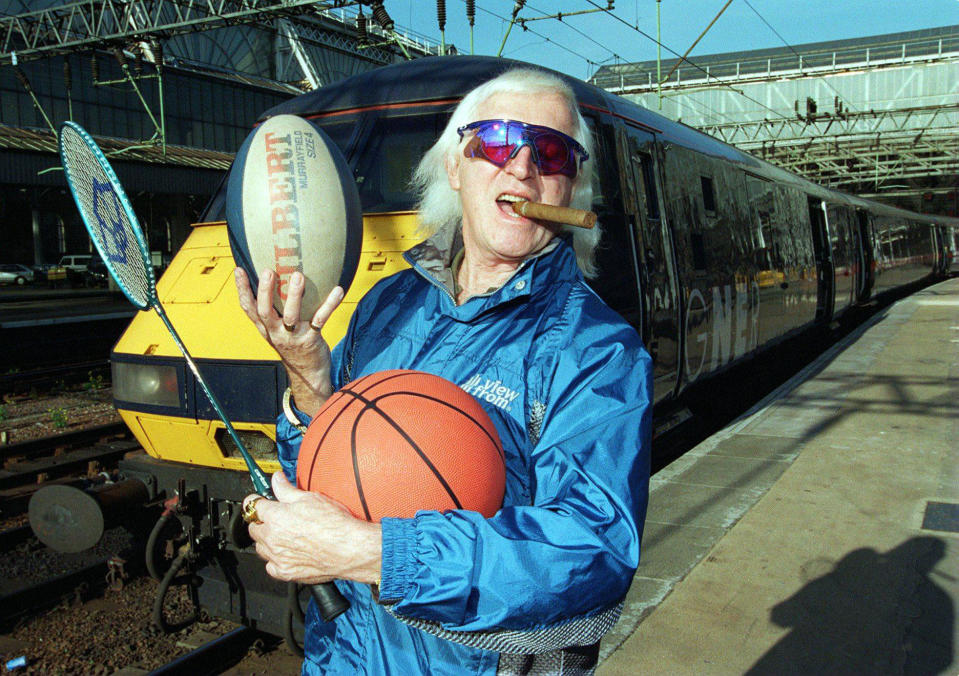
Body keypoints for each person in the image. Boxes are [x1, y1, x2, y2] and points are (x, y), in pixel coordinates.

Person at [235, 67, 653, 675]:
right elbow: (335, 467)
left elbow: (591, 551)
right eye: (499, 142)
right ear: (456, 167)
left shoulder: (597, 352)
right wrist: (309, 379)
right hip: (344, 659)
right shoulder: (388, 303)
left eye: (553, 153)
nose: (522, 168)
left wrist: (369, 553)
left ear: (570, 190)